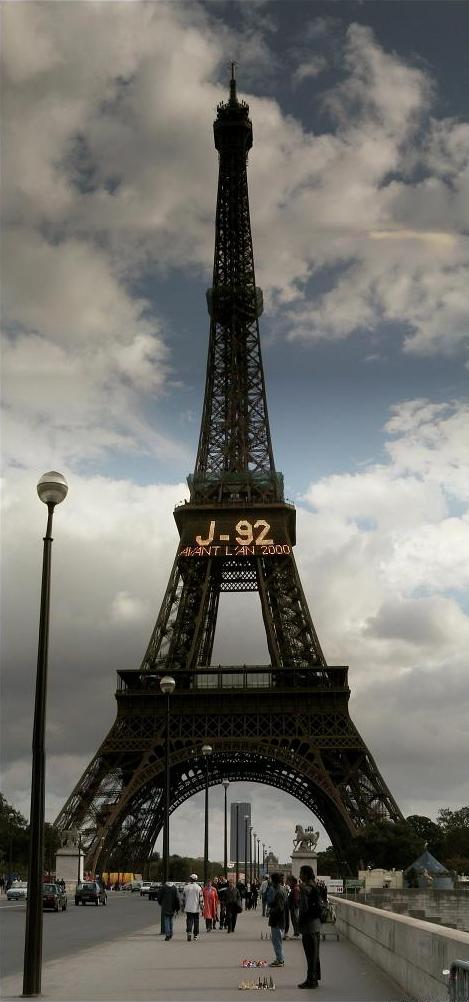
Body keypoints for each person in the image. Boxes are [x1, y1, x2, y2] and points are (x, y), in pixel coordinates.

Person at [297, 865, 322, 989]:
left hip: (308, 925)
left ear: (306, 875)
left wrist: (299, 924)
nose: (300, 876)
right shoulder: (315, 886)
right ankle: (315, 978)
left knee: (310, 955)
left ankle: (310, 980)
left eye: (301, 873)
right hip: (316, 924)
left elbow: (304, 908)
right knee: (315, 955)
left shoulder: (305, 889)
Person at [268, 872, 287, 967]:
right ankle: (280, 958)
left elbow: (279, 908)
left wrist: (271, 911)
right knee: (277, 940)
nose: (271, 882)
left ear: (274, 881)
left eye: (271, 880)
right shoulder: (282, 890)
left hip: (277, 920)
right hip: (280, 919)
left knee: (276, 941)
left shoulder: (278, 892)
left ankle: (280, 960)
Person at [182, 873, 203, 942]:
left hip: (188, 907)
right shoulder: (199, 888)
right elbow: (201, 898)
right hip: (196, 907)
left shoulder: (186, 887)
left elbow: (183, 898)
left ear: (190, 879)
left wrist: (183, 906)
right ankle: (195, 935)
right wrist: (202, 907)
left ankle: (189, 932)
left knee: (189, 920)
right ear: (196, 879)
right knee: (196, 921)